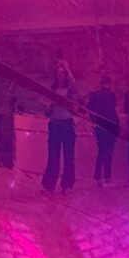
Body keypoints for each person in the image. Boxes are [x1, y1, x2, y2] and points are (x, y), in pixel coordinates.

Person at [40, 61, 77, 194]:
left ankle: (67, 185)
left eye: (62, 73)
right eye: (58, 73)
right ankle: (49, 185)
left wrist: (67, 66)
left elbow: (74, 84)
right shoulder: (52, 90)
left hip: (67, 123)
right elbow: (47, 111)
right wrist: (47, 106)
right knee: (53, 155)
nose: (60, 75)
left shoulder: (69, 89)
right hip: (55, 124)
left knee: (69, 156)